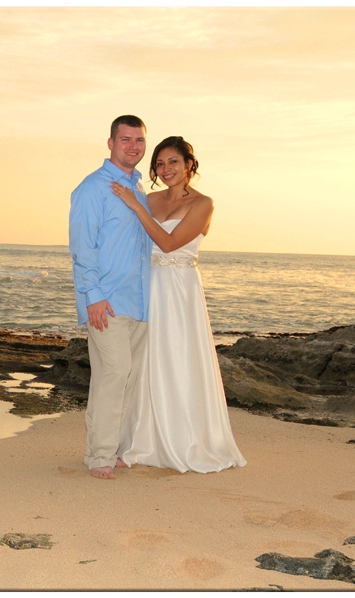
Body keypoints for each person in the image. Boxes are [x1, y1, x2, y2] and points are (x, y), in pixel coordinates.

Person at [110, 136, 246, 473]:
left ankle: (184, 441)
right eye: (159, 163)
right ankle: (141, 439)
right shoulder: (149, 197)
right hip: (147, 285)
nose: (166, 169)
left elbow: (169, 244)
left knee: (178, 359)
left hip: (179, 290)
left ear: (188, 164)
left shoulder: (203, 203)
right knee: (145, 362)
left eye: (173, 162)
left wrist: (136, 206)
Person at [69, 115, 152, 480]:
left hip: (139, 301)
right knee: (116, 373)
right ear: (111, 143)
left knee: (121, 377)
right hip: (107, 301)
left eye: (139, 140)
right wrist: (94, 297)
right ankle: (101, 455)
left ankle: (106, 449)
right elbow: (82, 248)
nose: (133, 146)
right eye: (126, 139)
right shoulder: (93, 188)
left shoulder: (140, 194)